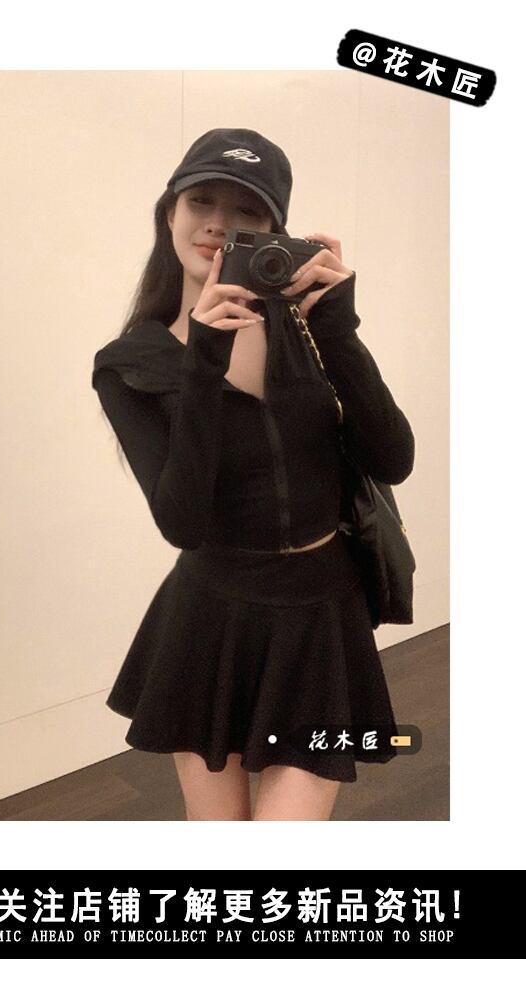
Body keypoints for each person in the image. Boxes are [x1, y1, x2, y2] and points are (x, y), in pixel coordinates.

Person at [91, 128, 415, 821]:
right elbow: (182, 522)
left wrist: (340, 331)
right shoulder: (130, 364)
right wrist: (203, 362)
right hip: (210, 620)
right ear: (169, 214)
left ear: (275, 234)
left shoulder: (306, 330)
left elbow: (394, 459)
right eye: (201, 201)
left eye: (246, 211)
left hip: (321, 617)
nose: (218, 223)